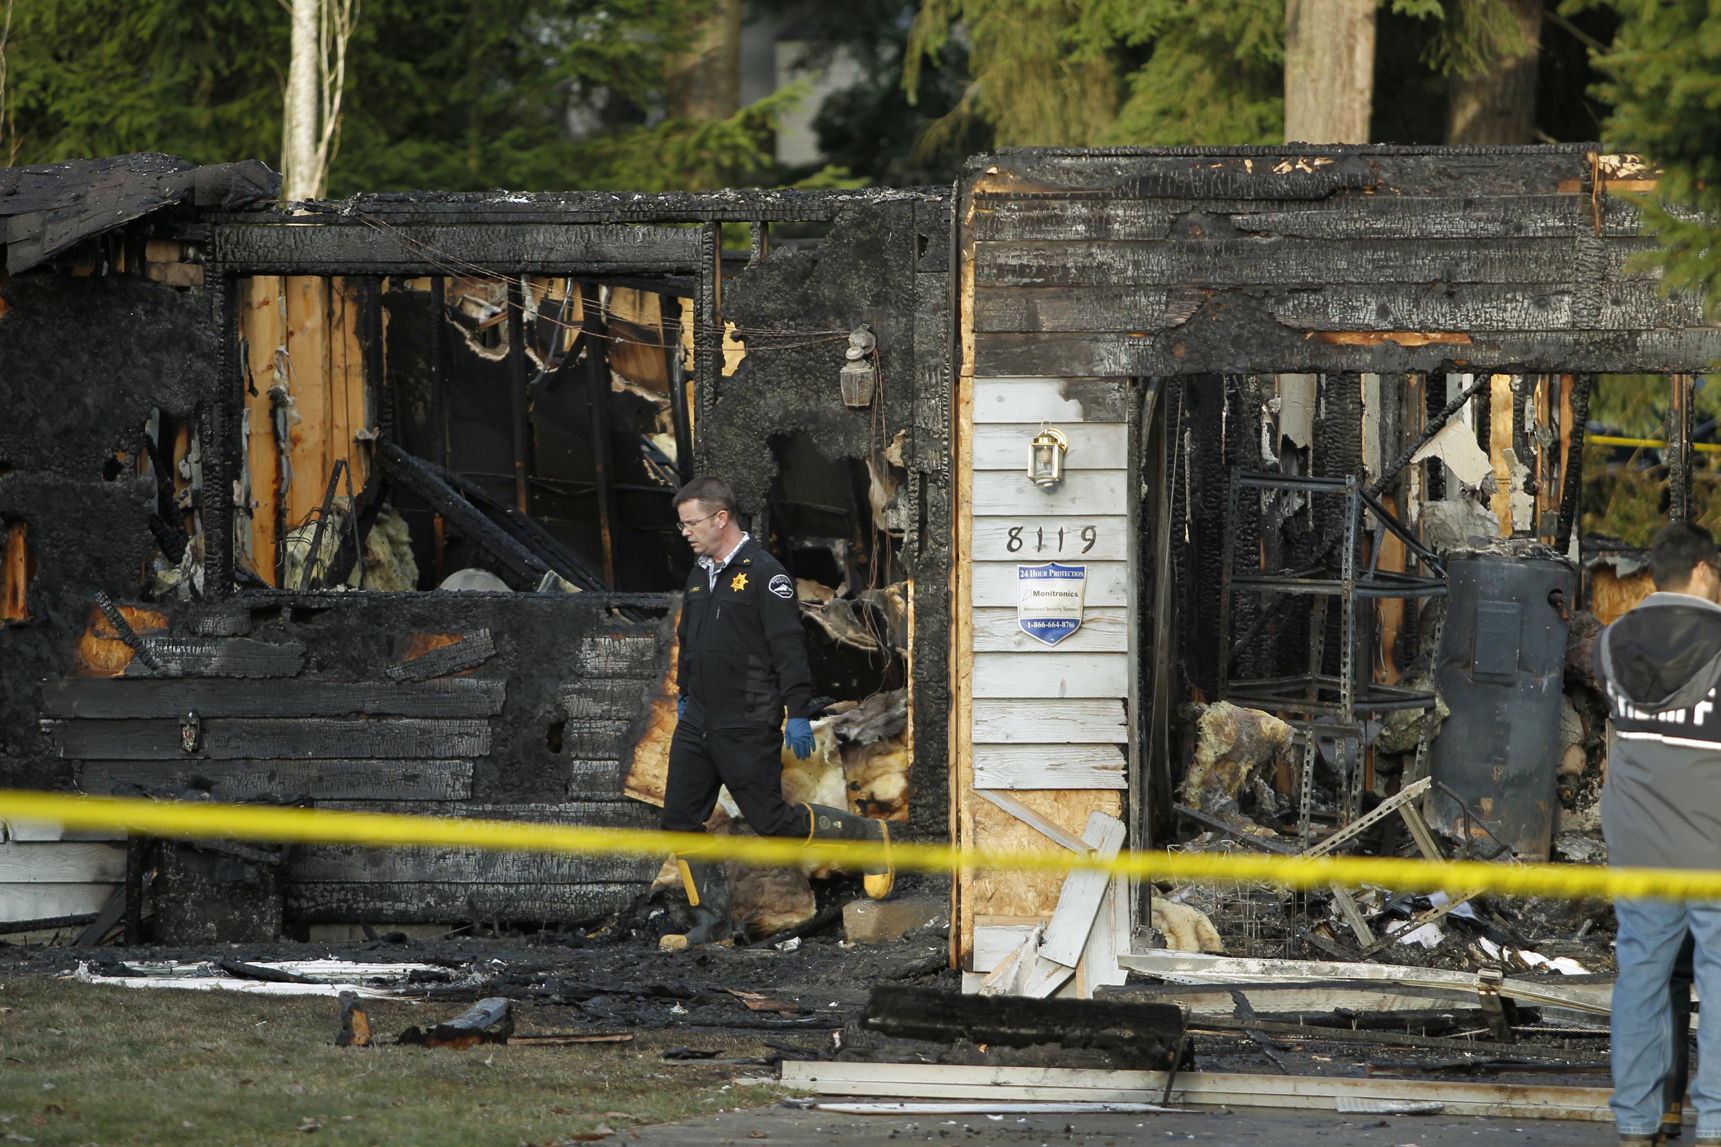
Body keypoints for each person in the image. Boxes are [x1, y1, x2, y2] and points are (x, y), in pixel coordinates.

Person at [659, 476, 893, 949]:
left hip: (747, 718)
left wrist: (797, 710)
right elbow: (691, 639)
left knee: (770, 820)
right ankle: (710, 925)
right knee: (679, 821)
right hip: (699, 718)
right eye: (681, 523)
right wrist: (685, 692)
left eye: (691, 523)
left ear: (720, 518)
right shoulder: (700, 572)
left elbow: (788, 646)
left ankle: (868, 834)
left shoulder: (766, 574)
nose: (685, 532)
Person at [1596, 521, 1721, 1146]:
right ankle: (1717, 1119)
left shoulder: (1612, 640)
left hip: (1638, 843)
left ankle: (1638, 1123)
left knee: (1642, 976)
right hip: (1712, 842)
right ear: (1702, 571)